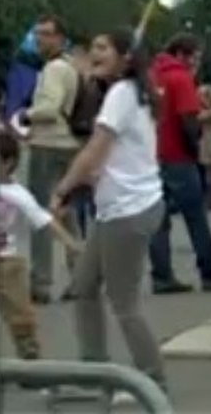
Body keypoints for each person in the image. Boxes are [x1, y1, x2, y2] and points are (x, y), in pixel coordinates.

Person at [50, 29, 167, 392]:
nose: (94, 53)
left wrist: (63, 190)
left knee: (124, 302)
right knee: (84, 286)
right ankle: (94, 372)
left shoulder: (122, 94)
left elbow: (94, 150)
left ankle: (153, 383)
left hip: (129, 210)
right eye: (93, 47)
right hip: (117, 208)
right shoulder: (130, 92)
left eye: (103, 48)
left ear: (125, 57)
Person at [148, 34, 211, 294]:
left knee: (158, 220)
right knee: (196, 217)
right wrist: (195, 146)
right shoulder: (180, 78)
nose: (197, 63)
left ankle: (161, 275)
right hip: (179, 156)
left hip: (153, 155)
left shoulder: (152, 75)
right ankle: (210, 272)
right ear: (182, 54)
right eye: (195, 57)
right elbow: (188, 119)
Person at [0, 128, 84, 360]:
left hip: (9, 263)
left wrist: (70, 243)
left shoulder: (17, 194)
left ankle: (29, 354)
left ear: (8, 163)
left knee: (20, 315)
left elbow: (44, 220)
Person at [18, 15, 82, 304]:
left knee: (40, 213)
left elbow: (49, 108)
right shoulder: (71, 65)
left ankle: (40, 281)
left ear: (59, 38)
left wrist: (25, 115)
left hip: (48, 143)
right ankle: (80, 276)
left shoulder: (54, 69)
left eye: (45, 34)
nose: (39, 39)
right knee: (66, 213)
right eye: (37, 33)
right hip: (70, 143)